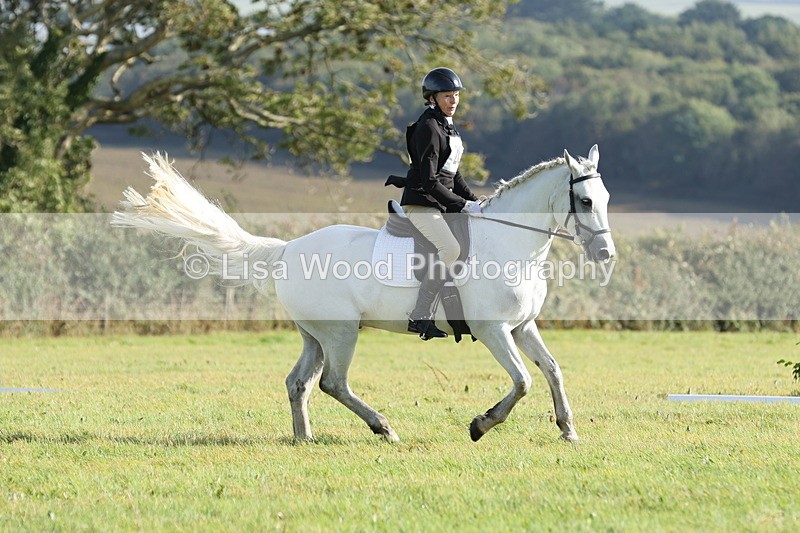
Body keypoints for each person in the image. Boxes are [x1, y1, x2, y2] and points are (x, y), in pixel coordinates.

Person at [399, 67, 482, 341]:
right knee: (450, 248)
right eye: (447, 96)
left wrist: (476, 201)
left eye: (456, 95)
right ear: (432, 98)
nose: (454, 101)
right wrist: (461, 204)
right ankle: (420, 314)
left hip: (440, 203)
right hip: (421, 203)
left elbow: (453, 175)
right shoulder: (429, 127)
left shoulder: (447, 125)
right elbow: (430, 180)